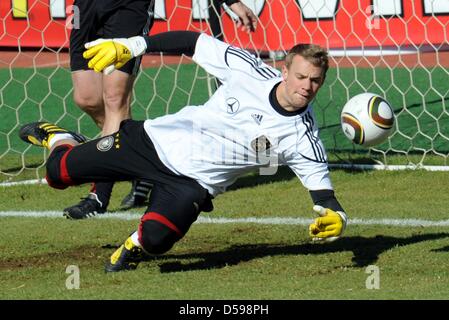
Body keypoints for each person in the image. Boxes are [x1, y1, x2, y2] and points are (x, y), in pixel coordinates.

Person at [19, 30, 347, 272]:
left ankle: (132, 245)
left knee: (156, 240)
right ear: (284, 71)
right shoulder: (248, 70)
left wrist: (337, 217)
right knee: (56, 174)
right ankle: (61, 137)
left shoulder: (303, 137)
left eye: (315, 81)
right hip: (151, 142)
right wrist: (133, 46)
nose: (306, 86)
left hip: (191, 184)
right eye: (301, 76)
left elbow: (324, 196)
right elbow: (194, 42)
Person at [66, 0, 258, 219]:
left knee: (114, 99)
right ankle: (140, 156)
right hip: (88, 5)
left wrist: (231, 2)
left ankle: (99, 195)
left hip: (129, 7)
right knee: (86, 98)